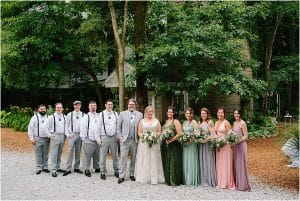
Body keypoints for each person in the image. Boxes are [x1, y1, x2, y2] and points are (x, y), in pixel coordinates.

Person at [135, 106, 165, 184]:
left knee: (154, 158)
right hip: (144, 143)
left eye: (151, 111)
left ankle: (154, 177)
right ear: (146, 112)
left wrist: (155, 136)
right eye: (148, 111)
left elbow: (159, 131)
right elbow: (139, 132)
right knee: (144, 158)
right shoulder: (142, 121)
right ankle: (144, 176)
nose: (150, 113)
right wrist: (145, 137)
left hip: (154, 143)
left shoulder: (156, 121)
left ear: (153, 112)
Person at [117, 99, 143, 184]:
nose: (131, 106)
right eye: (130, 104)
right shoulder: (122, 114)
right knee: (123, 158)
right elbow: (118, 127)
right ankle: (121, 176)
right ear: (127, 105)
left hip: (135, 140)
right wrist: (120, 137)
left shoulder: (140, 114)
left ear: (135, 105)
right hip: (125, 140)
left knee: (134, 158)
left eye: (133, 104)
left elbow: (141, 127)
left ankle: (131, 174)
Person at [96, 99, 119, 180]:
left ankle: (116, 170)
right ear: (105, 105)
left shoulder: (116, 114)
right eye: (108, 104)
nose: (110, 106)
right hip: (104, 137)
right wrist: (98, 139)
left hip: (113, 137)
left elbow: (117, 126)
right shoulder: (101, 114)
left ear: (112, 106)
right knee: (102, 156)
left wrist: (118, 136)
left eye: (111, 104)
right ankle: (102, 171)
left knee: (115, 155)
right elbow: (97, 127)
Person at [161, 106, 183, 186]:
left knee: (173, 161)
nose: (170, 113)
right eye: (168, 112)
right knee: (167, 160)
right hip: (166, 144)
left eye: (171, 112)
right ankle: (167, 179)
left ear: (173, 113)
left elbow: (180, 133)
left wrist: (170, 140)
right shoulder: (166, 121)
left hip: (174, 144)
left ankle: (173, 180)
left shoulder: (176, 121)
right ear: (167, 113)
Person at [214, 107, 235, 189]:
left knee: (225, 163)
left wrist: (223, 141)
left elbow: (230, 135)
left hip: (226, 145)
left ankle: (226, 182)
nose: (220, 114)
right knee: (219, 162)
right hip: (219, 145)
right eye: (218, 112)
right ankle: (220, 182)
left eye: (221, 113)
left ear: (224, 114)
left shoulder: (226, 123)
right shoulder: (216, 122)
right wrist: (216, 140)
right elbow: (215, 133)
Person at [44, 102, 67, 177]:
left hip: (62, 136)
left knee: (59, 153)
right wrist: (49, 135)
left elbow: (66, 127)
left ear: (62, 108)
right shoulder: (51, 117)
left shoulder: (64, 116)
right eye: (58, 107)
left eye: (60, 107)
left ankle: (58, 167)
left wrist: (68, 135)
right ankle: (53, 170)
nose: (59, 109)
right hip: (55, 135)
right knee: (54, 153)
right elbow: (44, 127)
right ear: (55, 108)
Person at [63, 101, 84, 176]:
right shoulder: (70, 114)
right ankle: (68, 168)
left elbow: (85, 126)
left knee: (78, 152)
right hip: (72, 134)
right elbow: (66, 125)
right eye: (76, 105)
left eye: (78, 105)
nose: (77, 106)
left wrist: (83, 135)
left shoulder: (83, 115)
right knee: (70, 152)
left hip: (80, 135)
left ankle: (76, 167)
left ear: (80, 106)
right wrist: (68, 134)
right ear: (73, 106)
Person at [80, 101, 101, 177]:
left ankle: (97, 167)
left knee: (97, 154)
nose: (93, 107)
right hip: (88, 139)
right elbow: (82, 129)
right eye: (91, 106)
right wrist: (84, 139)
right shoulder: (85, 117)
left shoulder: (99, 116)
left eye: (94, 106)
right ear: (88, 107)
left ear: (96, 107)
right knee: (87, 155)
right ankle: (86, 169)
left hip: (98, 140)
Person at [28, 104, 50, 174]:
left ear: (46, 109)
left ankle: (45, 167)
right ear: (38, 110)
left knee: (45, 153)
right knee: (38, 154)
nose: (42, 110)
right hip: (38, 138)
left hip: (47, 139)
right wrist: (31, 138)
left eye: (44, 109)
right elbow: (30, 128)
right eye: (41, 109)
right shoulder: (34, 118)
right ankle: (38, 168)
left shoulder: (48, 117)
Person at [233, 109, 251, 191]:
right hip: (236, 146)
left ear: (240, 114)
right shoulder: (234, 123)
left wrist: (238, 140)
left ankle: (243, 185)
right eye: (235, 113)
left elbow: (246, 136)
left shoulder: (243, 123)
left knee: (242, 163)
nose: (236, 115)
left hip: (241, 145)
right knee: (236, 163)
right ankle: (237, 183)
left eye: (237, 113)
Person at [198, 108, 217, 187]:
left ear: (207, 114)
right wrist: (199, 138)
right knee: (202, 161)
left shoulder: (210, 122)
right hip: (201, 145)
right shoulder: (200, 122)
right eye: (202, 114)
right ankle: (203, 179)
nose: (203, 115)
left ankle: (209, 179)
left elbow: (213, 135)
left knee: (208, 160)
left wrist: (205, 140)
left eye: (205, 114)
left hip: (207, 145)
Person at [182, 107, 200, 186]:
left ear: (191, 114)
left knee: (191, 159)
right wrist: (183, 139)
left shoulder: (194, 122)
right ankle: (185, 178)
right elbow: (183, 133)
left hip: (192, 144)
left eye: (189, 113)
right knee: (186, 159)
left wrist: (189, 140)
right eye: (186, 113)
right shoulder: (184, 122)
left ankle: (191, 179)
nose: (188, 115)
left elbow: (197, 134)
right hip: (185, 144)